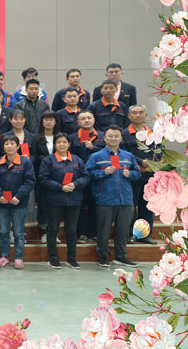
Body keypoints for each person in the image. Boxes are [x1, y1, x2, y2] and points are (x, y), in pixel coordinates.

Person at [86, 125, 141, 267]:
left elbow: (138, 173)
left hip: (126, 199)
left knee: (123, 230)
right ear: (104, 138)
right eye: (110, 136)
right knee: (103, 229)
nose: (113, 138)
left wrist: (131, 174)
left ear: (121, 138)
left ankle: (120, 256)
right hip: (105, 198)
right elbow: (87, 174)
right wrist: (103, 173)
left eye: (116, 136)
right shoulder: (96, 156)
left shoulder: (128, 156)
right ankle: (103, 256)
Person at [38, 133, 90, 269]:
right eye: (58, 142)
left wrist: (75, 184)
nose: (61, 144)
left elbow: (85, 177)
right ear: (54, 145)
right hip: (54, 200)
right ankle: (52, 259)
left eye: (64, 142)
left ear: (69, 144)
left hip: (74, 199)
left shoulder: (77, 160)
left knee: (71, 229)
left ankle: (71, 258)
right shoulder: (48, 160)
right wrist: (60, 187)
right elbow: (43, 178)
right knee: (53, 229)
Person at [0, 135, 36, 269]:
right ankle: (4, 256)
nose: (9, 146)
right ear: (3, 146)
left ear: (18, 146)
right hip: (2, 203)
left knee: (18, 232)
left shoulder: (25, 162)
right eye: (6, 144)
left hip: (19, 203)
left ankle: (18, 257)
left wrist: (18, 196)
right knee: (4, 231)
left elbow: (29, 182)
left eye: (12, 144)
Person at [123, 105, 158, 245]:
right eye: (134, 113)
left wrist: (149, 164)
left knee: (147, 206)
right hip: (132, 175)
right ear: (129, 116)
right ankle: (130, 234)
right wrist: (141, 163)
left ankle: (145, 235)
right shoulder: (124, 134)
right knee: (131, 206)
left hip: (149, 175)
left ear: (146, 115)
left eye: (141, 112)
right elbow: (125, 153)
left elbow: (160, 151)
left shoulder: (153, 133)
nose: (138, 115)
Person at [70, 110, 106, 244]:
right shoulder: (72, 138)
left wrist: (93, 148)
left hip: (98, 176)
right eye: (83, 118)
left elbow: (108, 153)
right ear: (78, 122)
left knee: (95, 205)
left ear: (94, 120)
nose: (86, 120)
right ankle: (82, 233)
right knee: (80, 205)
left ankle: (93, 232)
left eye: (89, 118)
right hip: (79, 177)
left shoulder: (103, 136)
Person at [35, 111, 61, 244]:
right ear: (42, 122)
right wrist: (46, 159)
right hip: (42, 176)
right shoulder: (36, 138)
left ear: (56, 122)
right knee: (43, 205)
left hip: (58, 175)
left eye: (51, 119)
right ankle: (44, 232)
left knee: (56, 206)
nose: (49, 122)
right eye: (46, 119)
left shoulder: (61, 137)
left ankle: (54, 232)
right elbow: (33, 157)